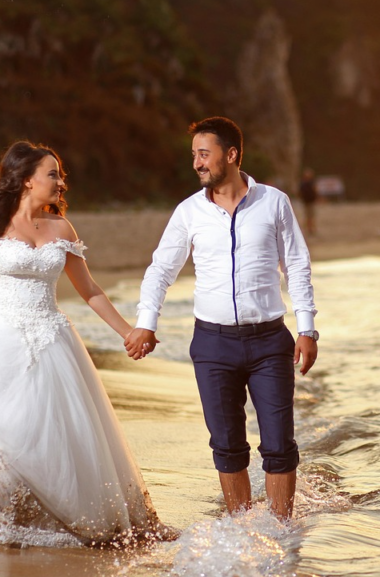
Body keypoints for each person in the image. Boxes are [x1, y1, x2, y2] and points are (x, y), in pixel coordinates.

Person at [0, 141, 174, 547]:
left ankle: (50, 517)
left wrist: (128, 331)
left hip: (50, 342)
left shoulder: (61, 229)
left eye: (59, 174)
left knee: (48, 438)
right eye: (52, 174)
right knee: (1, 439)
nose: (60, 181)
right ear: (26, 180)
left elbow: (89, 290)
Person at [125, 116, 318, 521]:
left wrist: (306, 328)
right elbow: (161, 270)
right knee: (227, 443)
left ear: (230, 155)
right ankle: (241, 530)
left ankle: (283, 533)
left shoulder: (274, 202)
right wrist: (146, 322)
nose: (196, 163)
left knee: (279, 442)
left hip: (269, 341)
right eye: (194, 155)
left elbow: (297, 266)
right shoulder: (188, 212)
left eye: (204, 154)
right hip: (213, 344)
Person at [299, 167, 318, 235]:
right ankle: (309, 229)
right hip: (307, 202)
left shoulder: (309, 183)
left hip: (310, 201)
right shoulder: (304, 184)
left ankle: (310, 229)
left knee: (310, 216)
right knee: (309, 216)